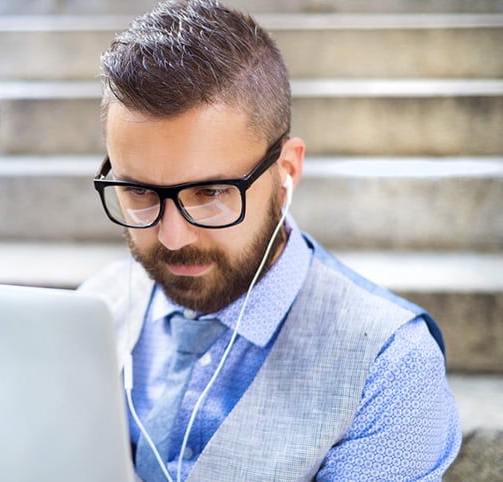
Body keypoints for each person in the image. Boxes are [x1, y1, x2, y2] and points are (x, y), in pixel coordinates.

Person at [78, 1, 462, 481]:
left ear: (287, 171)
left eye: (212, 192)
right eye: (137, 191)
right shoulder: (94, 308)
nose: (172, 237)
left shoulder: (388, 367)